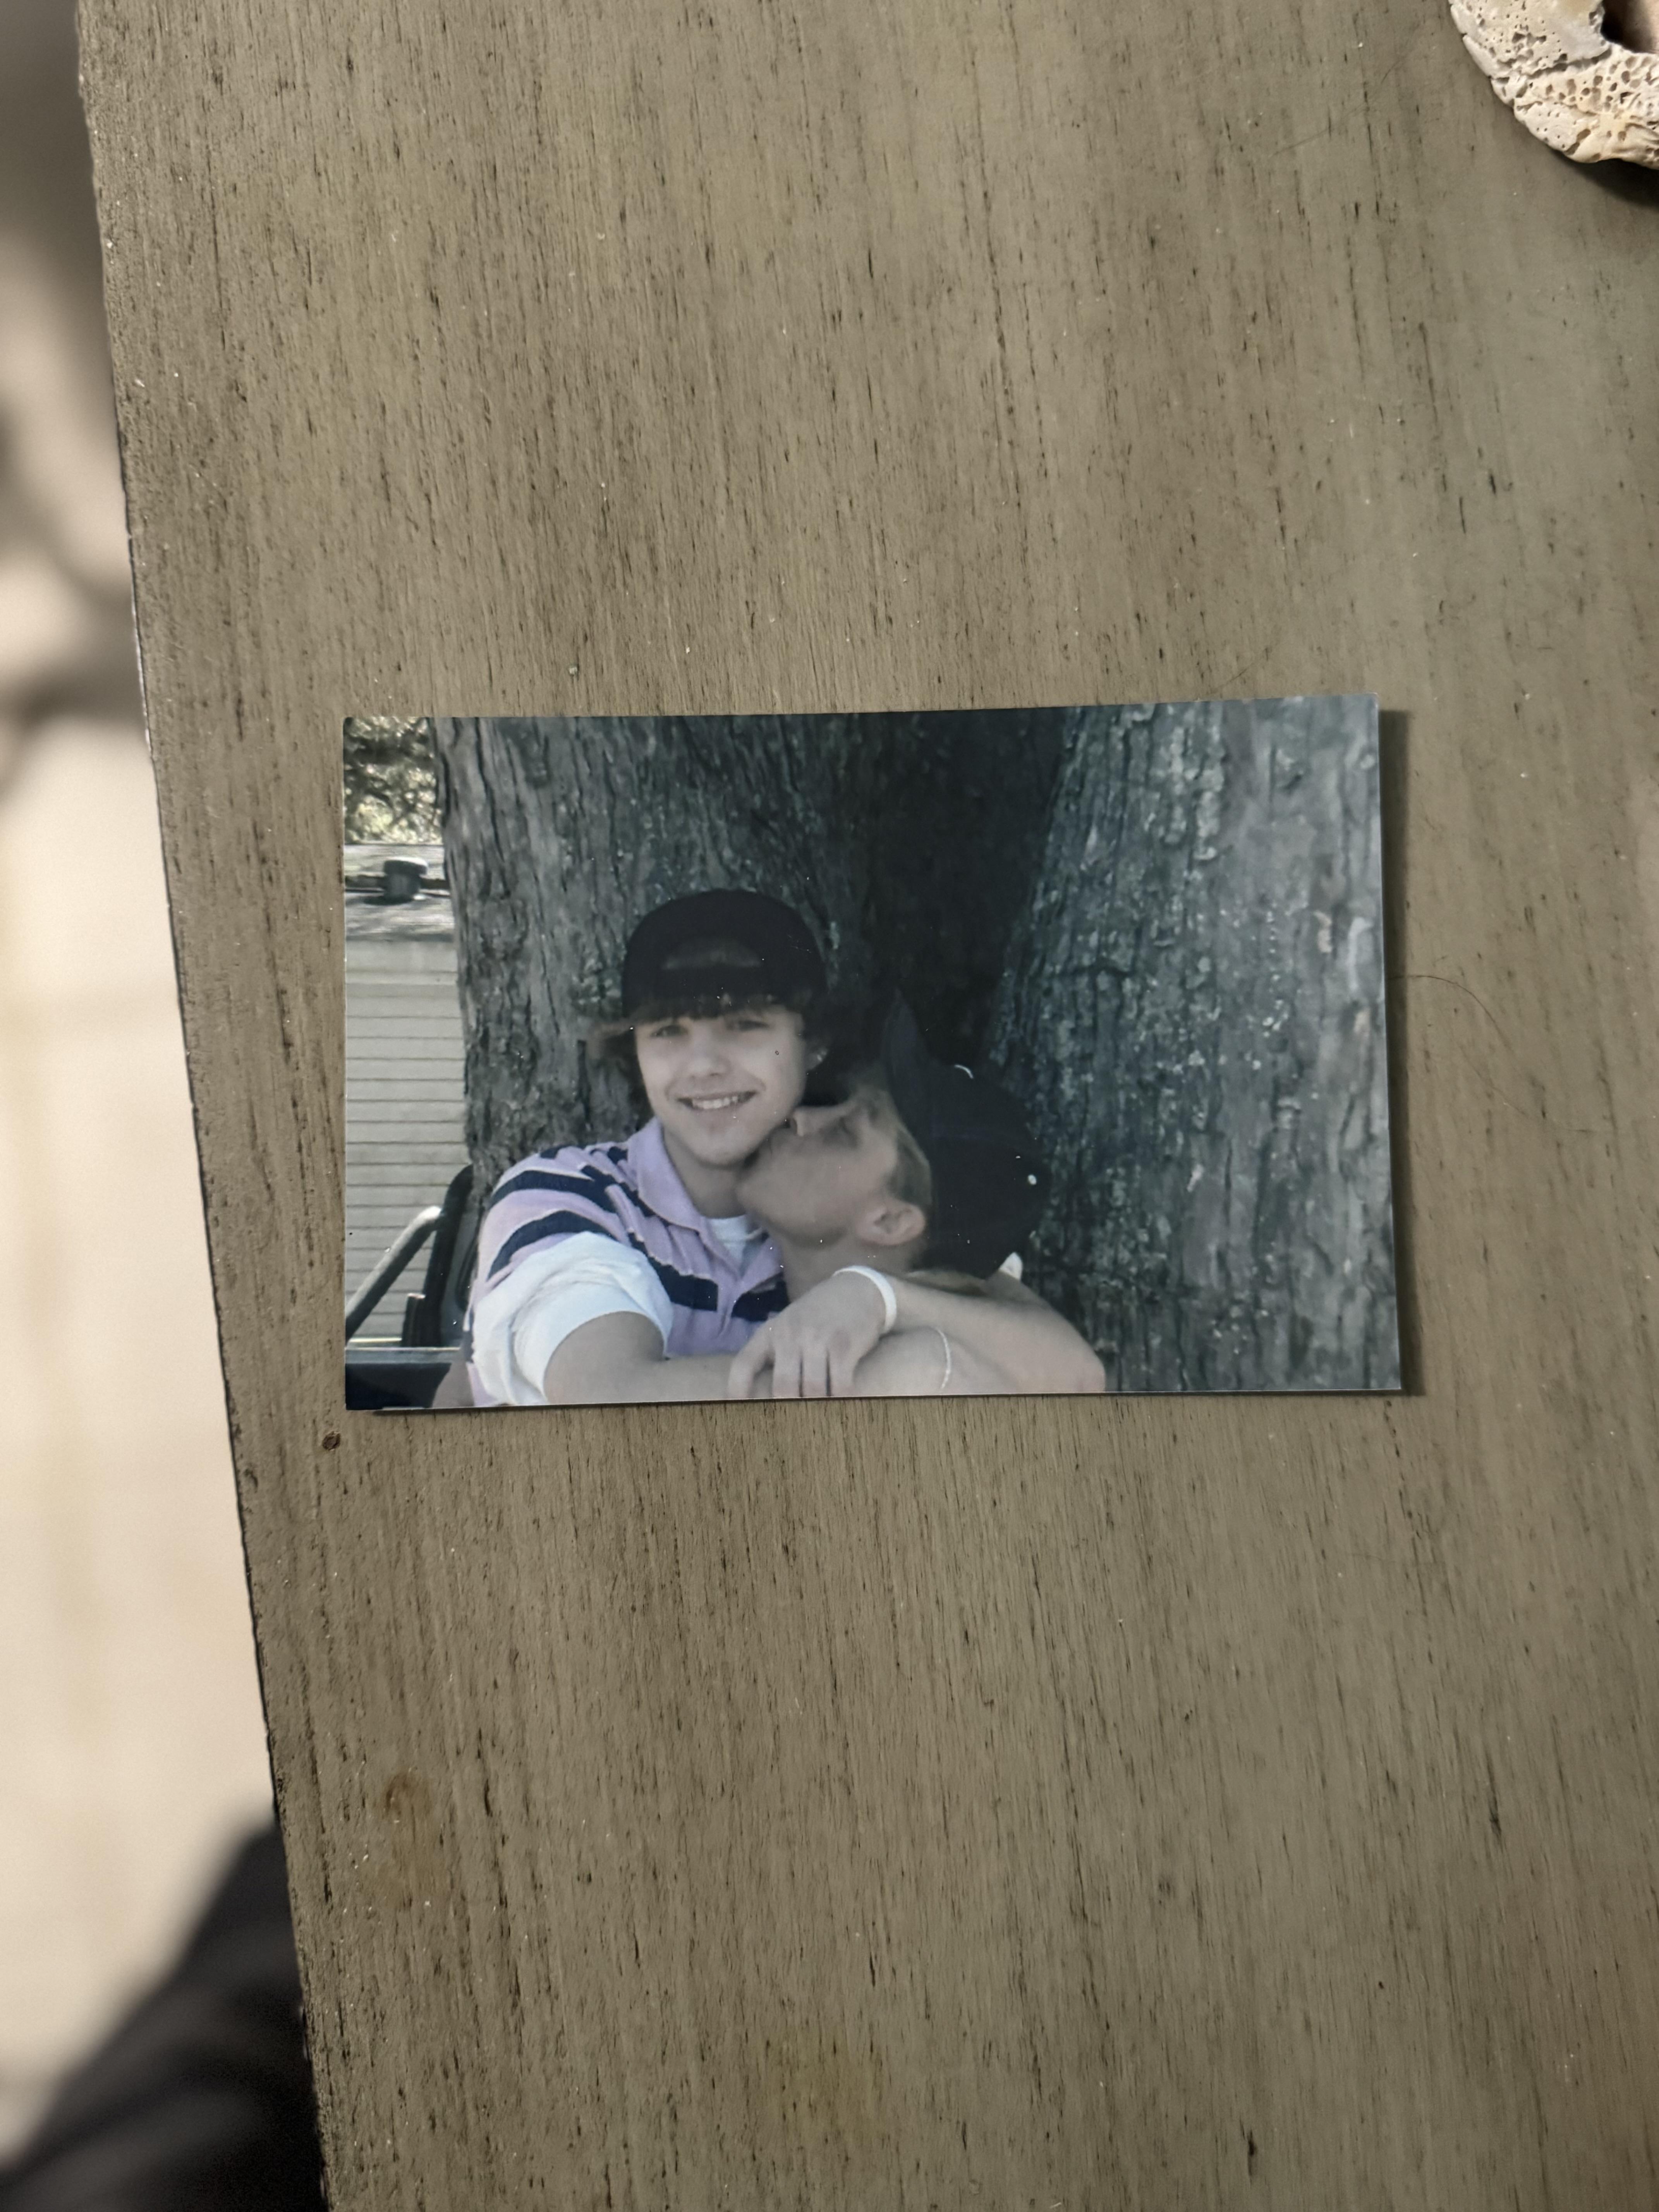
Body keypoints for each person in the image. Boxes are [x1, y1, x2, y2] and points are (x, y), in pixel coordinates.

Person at [460, 890, 1099, 1405]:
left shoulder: (825, 1221)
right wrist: (908, 1368)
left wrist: (876, 1296)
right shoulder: (569, 1195)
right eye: (668, 1032)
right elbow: (606, 1398)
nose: (704, 1066)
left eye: (744, 1025)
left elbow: (1068, 1368)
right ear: (635, 1053)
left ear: (812, 1045)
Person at [729, 999, 1107, 1396]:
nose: (802, 1118)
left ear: (890, 1222)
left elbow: (1081, 1374)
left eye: (842, 1134)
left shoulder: (927, 1378)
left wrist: (875, 1298)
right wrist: (878, 1295)